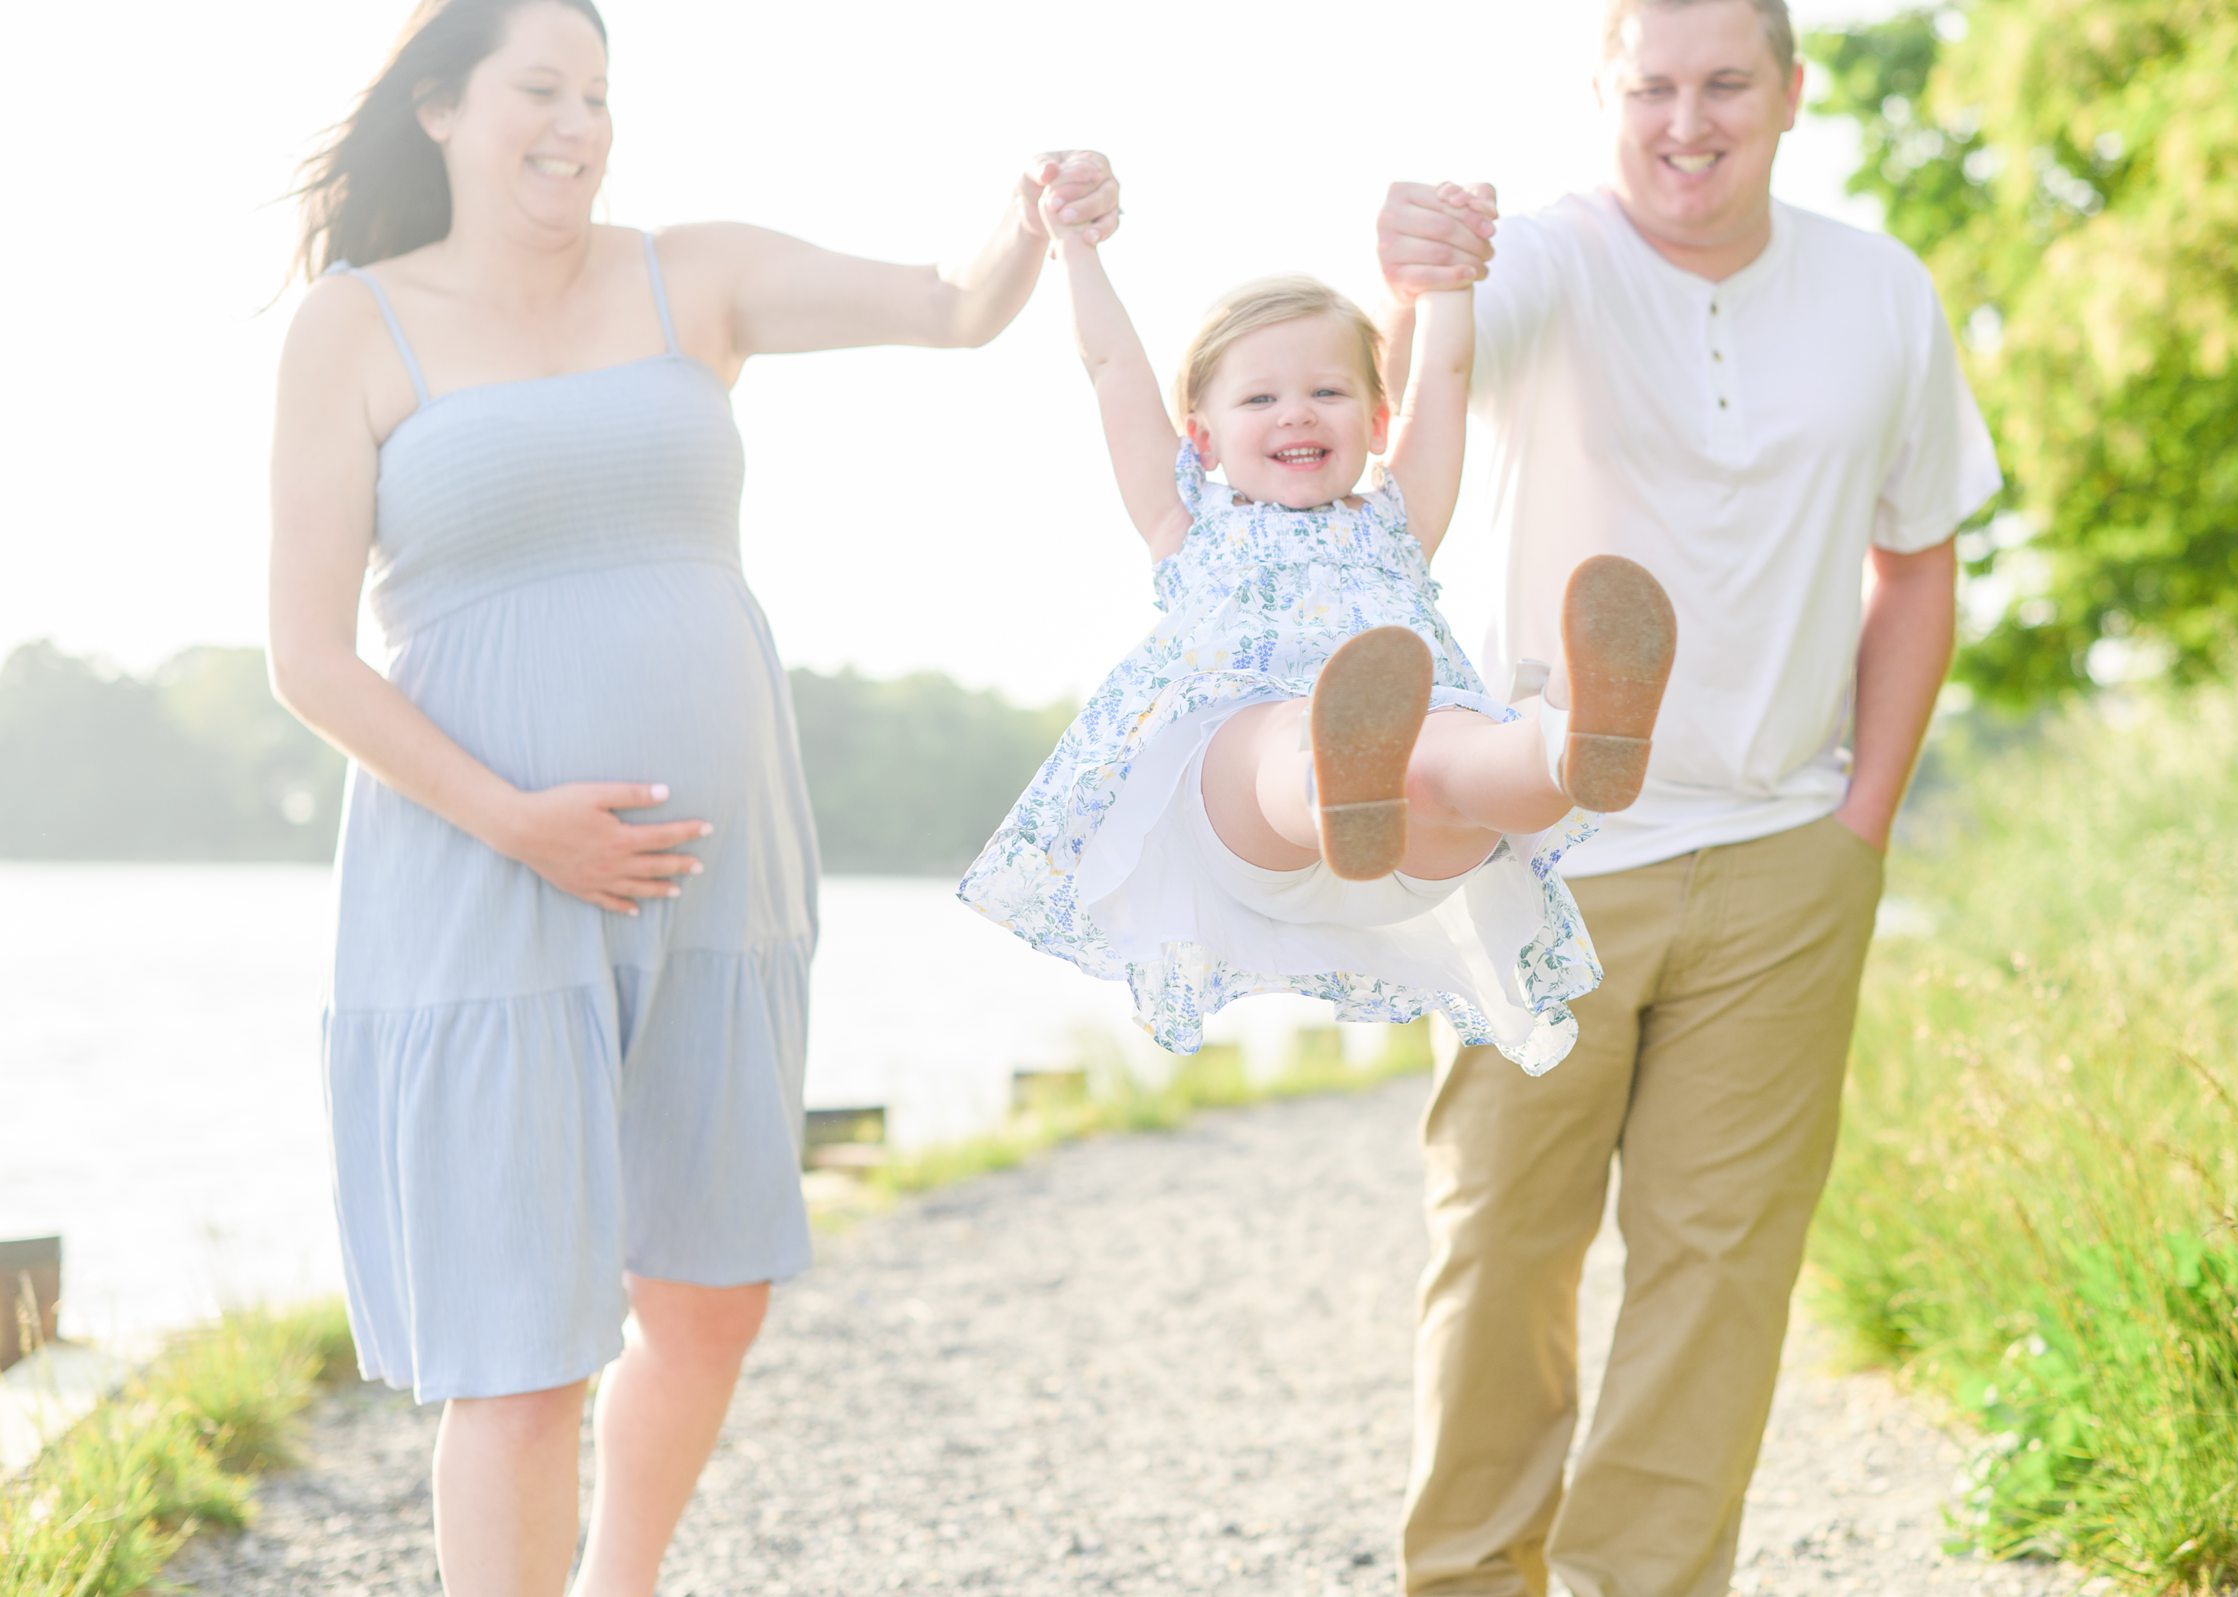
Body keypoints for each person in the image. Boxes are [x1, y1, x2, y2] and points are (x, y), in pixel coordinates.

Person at [264, 2, 1116, 1592]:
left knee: (715, 1296)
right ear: (441, 109)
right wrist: (522, 821)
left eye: (600, 93)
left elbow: (947, 308)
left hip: (714, 877)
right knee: (518, 1358)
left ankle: (618, 1580)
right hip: (480, 877)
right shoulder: (354, 328)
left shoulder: (688, 273)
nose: (578, 122)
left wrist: (1031, 210)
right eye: (541, 88)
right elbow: (306, 658)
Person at [1373, 0, 2002, 1592]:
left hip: (1786, 854)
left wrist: (1862, 822)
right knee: (1500, 1246)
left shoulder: (1880, 291)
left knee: (1721, 1273)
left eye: (1726, 83)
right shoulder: (1547, 264)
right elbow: (1416, 420)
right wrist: (1417, 285)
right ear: (1604, 94)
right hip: (1545, 853)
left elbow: (1916, 562)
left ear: (1790, 94)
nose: (1687, 121)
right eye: (1651, 86)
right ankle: (1468, 1578)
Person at [960, 178, 1678, 1075]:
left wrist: (1450, 282)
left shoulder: (1397, 517)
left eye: (1328, 391)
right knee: (1282, 728)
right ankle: (1336, 771)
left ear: (1379, 421)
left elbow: (1445, 378)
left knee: (1458, 749)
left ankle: (1569, 742)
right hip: (1263, 825)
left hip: (1411, 838)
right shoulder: (1185, 523)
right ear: (1202, 438)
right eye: (1259, 400)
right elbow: (1113, 369)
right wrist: (1074, 248)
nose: (1296, 411)